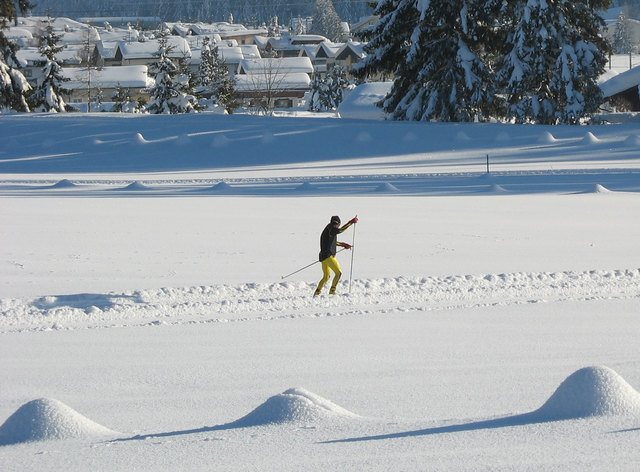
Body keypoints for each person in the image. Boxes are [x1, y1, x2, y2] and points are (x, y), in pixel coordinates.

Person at [314, 215, 358, 296]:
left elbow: (332, 243)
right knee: (339, 273)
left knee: (326, 277)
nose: (338, 226)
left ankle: (317, 293)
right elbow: (340, 230)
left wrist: (343, 244)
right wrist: (351, 222)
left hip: (323, 257)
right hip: (328, 256)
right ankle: (332, 290)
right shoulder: (332, 228)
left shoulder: (329, 229)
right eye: (338, 225)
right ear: (337, 223)